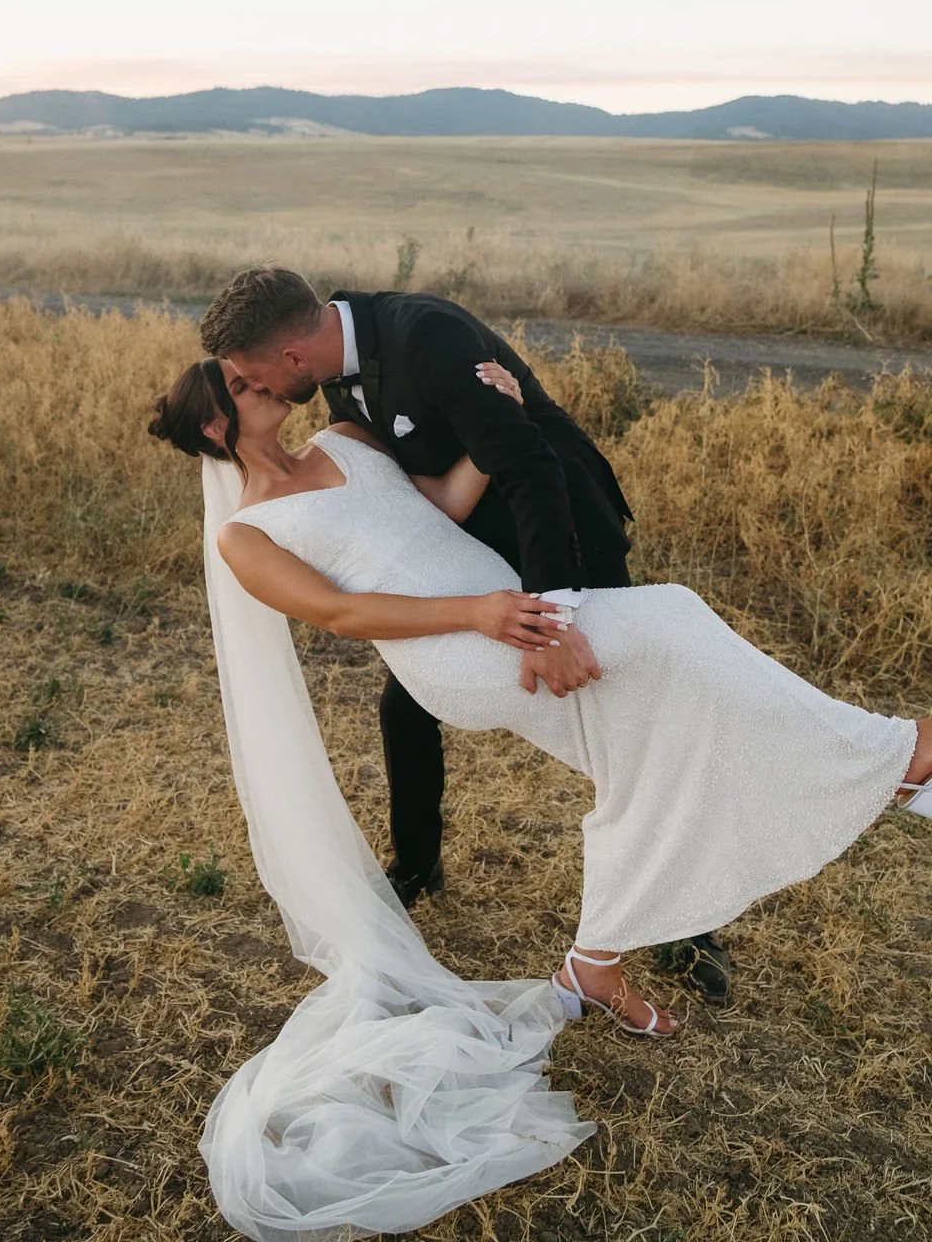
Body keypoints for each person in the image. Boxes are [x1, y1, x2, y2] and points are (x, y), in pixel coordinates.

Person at [148, 353, 930, 1240]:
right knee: (672, 619)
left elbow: (438, 506)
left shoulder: (344, 435)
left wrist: (496, 423)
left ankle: (595, 967)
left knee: (650, 751)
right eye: (248, 389)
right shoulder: (246, 534)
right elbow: (346, 616)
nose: (272, 387)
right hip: (462, 646)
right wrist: (477, 614)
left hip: (506, 610)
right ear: (218, 425)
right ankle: (901, 760)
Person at [198, 269, 733, 1001]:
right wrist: (471, 600)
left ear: (289, 357)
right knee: (404, 709)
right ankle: (416, 865)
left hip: (560, 537)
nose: (250, 385)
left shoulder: (427, 334)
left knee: (632, 717)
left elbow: (528, 467)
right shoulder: (335, 382)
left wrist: (551, 611)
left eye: (249, 375)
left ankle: (691, 924)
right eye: (238, 386)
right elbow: (417, 491)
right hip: (468, 567)